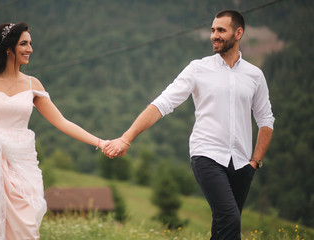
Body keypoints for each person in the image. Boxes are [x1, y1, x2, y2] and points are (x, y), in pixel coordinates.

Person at [104, 9, 274, 239]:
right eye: (213, 30)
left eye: (221, 30)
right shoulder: (198, 68)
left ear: (238, 33)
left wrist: (254, 162)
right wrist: (126, 138)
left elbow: (265, 120)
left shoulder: (255, 75)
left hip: (243, 164)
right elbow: (163, 103)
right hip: (207, 155)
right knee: (230, 219)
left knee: (223, 226)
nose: (214, 35)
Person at [0, 22, 108, 240]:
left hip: (23, 164)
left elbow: (62, 122)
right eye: (24, 44)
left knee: (26, 225)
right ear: (9, 48)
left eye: (31, 44)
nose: (30, 49)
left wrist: (100, 142)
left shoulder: (32, 84)